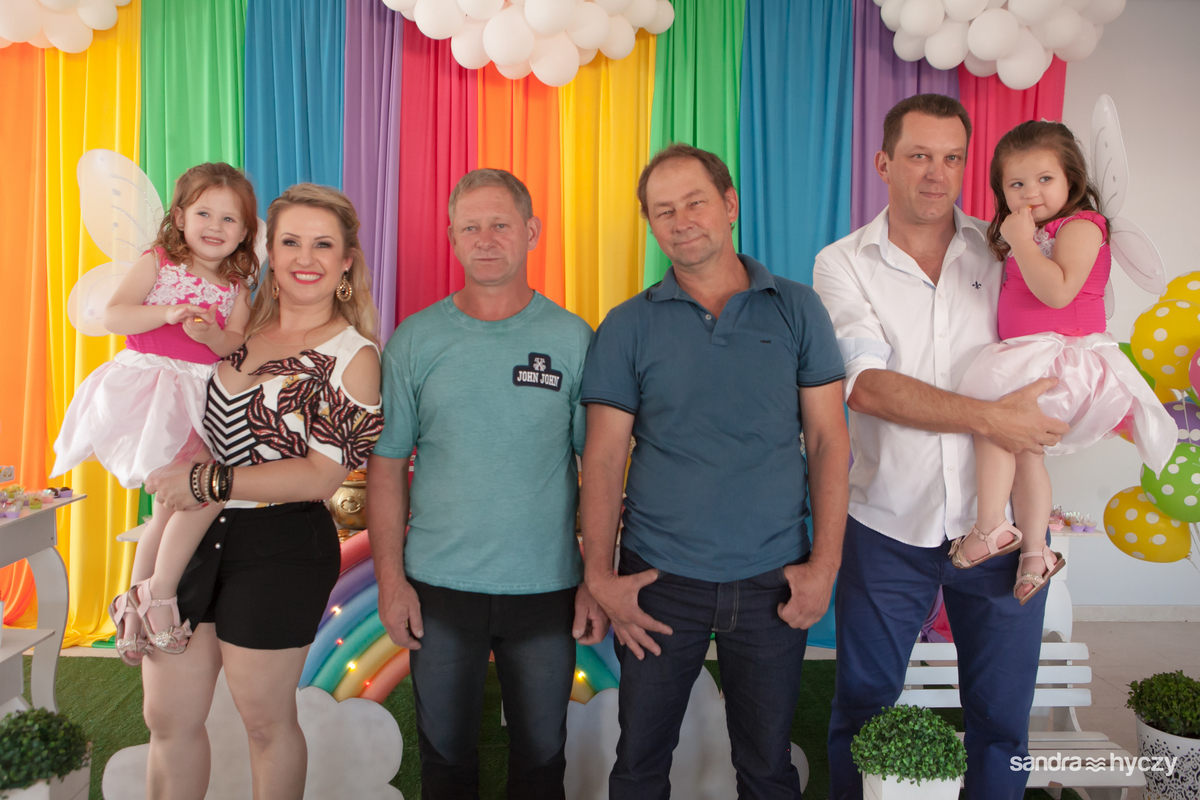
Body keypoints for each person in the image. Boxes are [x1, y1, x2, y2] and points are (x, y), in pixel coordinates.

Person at [812, 94, 1071, 799]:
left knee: (1002, 722)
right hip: (888, 526)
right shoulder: (843, 263)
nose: (936, 173)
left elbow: (1058, 334)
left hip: (1005, 530)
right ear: (883, 162)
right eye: (919, 156)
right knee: (863, 708)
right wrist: (996, 419)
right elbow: (866, 386)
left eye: (952, 158)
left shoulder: (1006, 247)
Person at [581, 143, 850, 799]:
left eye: (695, 202)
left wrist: (825, 566)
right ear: (651, 224)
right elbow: (605, 458)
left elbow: (828, 440)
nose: (681, 221)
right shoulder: (627, 325)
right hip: (657, 580)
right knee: (639, 764)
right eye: (664, 211)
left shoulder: (798, 308)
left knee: (767, 767)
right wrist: (599, 577)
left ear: (729, 204)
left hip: (773, 579)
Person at [367, 168, 608, 800]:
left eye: (500, 224)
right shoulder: (415, 340)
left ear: (531, 231)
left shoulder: (572, 338)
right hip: (439, 588)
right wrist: (391, 581)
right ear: (451, 237)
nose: (485, 239)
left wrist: (596, 577)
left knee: (542, 759)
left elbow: (600, 468)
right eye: (470, 227)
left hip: (546, 587)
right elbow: (386, 466)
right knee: (446, 761)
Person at [142, 183, 383, 800]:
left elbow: (321, 476)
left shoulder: (353, 356)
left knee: (265, 723)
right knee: (167, 719)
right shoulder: (233, 327)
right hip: (191, 535)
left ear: (346, 260)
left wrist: (207, 479)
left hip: (281, 546)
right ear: (269, 253)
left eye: (323, 244)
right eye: (290, 241)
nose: (305, 257)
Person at [952, 120, 1174, 601]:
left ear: (1071, 179)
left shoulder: (1082, 226)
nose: (1030, 192)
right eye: (1016, 184)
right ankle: (1035, 552)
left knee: (991, 420)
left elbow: (1058, 292)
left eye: (1044, 179)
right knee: (1023, 449)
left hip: (1061, 357)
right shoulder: (1032, 231)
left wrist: (1022, 241)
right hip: (1033, 355)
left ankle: (990, 526)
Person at [50, 162, 258, 664]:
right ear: (180, 217)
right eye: (204, 213)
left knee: (173, 505)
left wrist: (213, 335)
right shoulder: (159, 262)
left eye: (229, 219)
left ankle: (134, 601)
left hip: (202, 394)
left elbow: (236, 342)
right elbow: (115, 313)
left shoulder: (236, 284)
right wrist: (166, 313)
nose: (215, 226)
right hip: (155, 388)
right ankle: (157, 593)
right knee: (201, 488)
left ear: (245, 233)